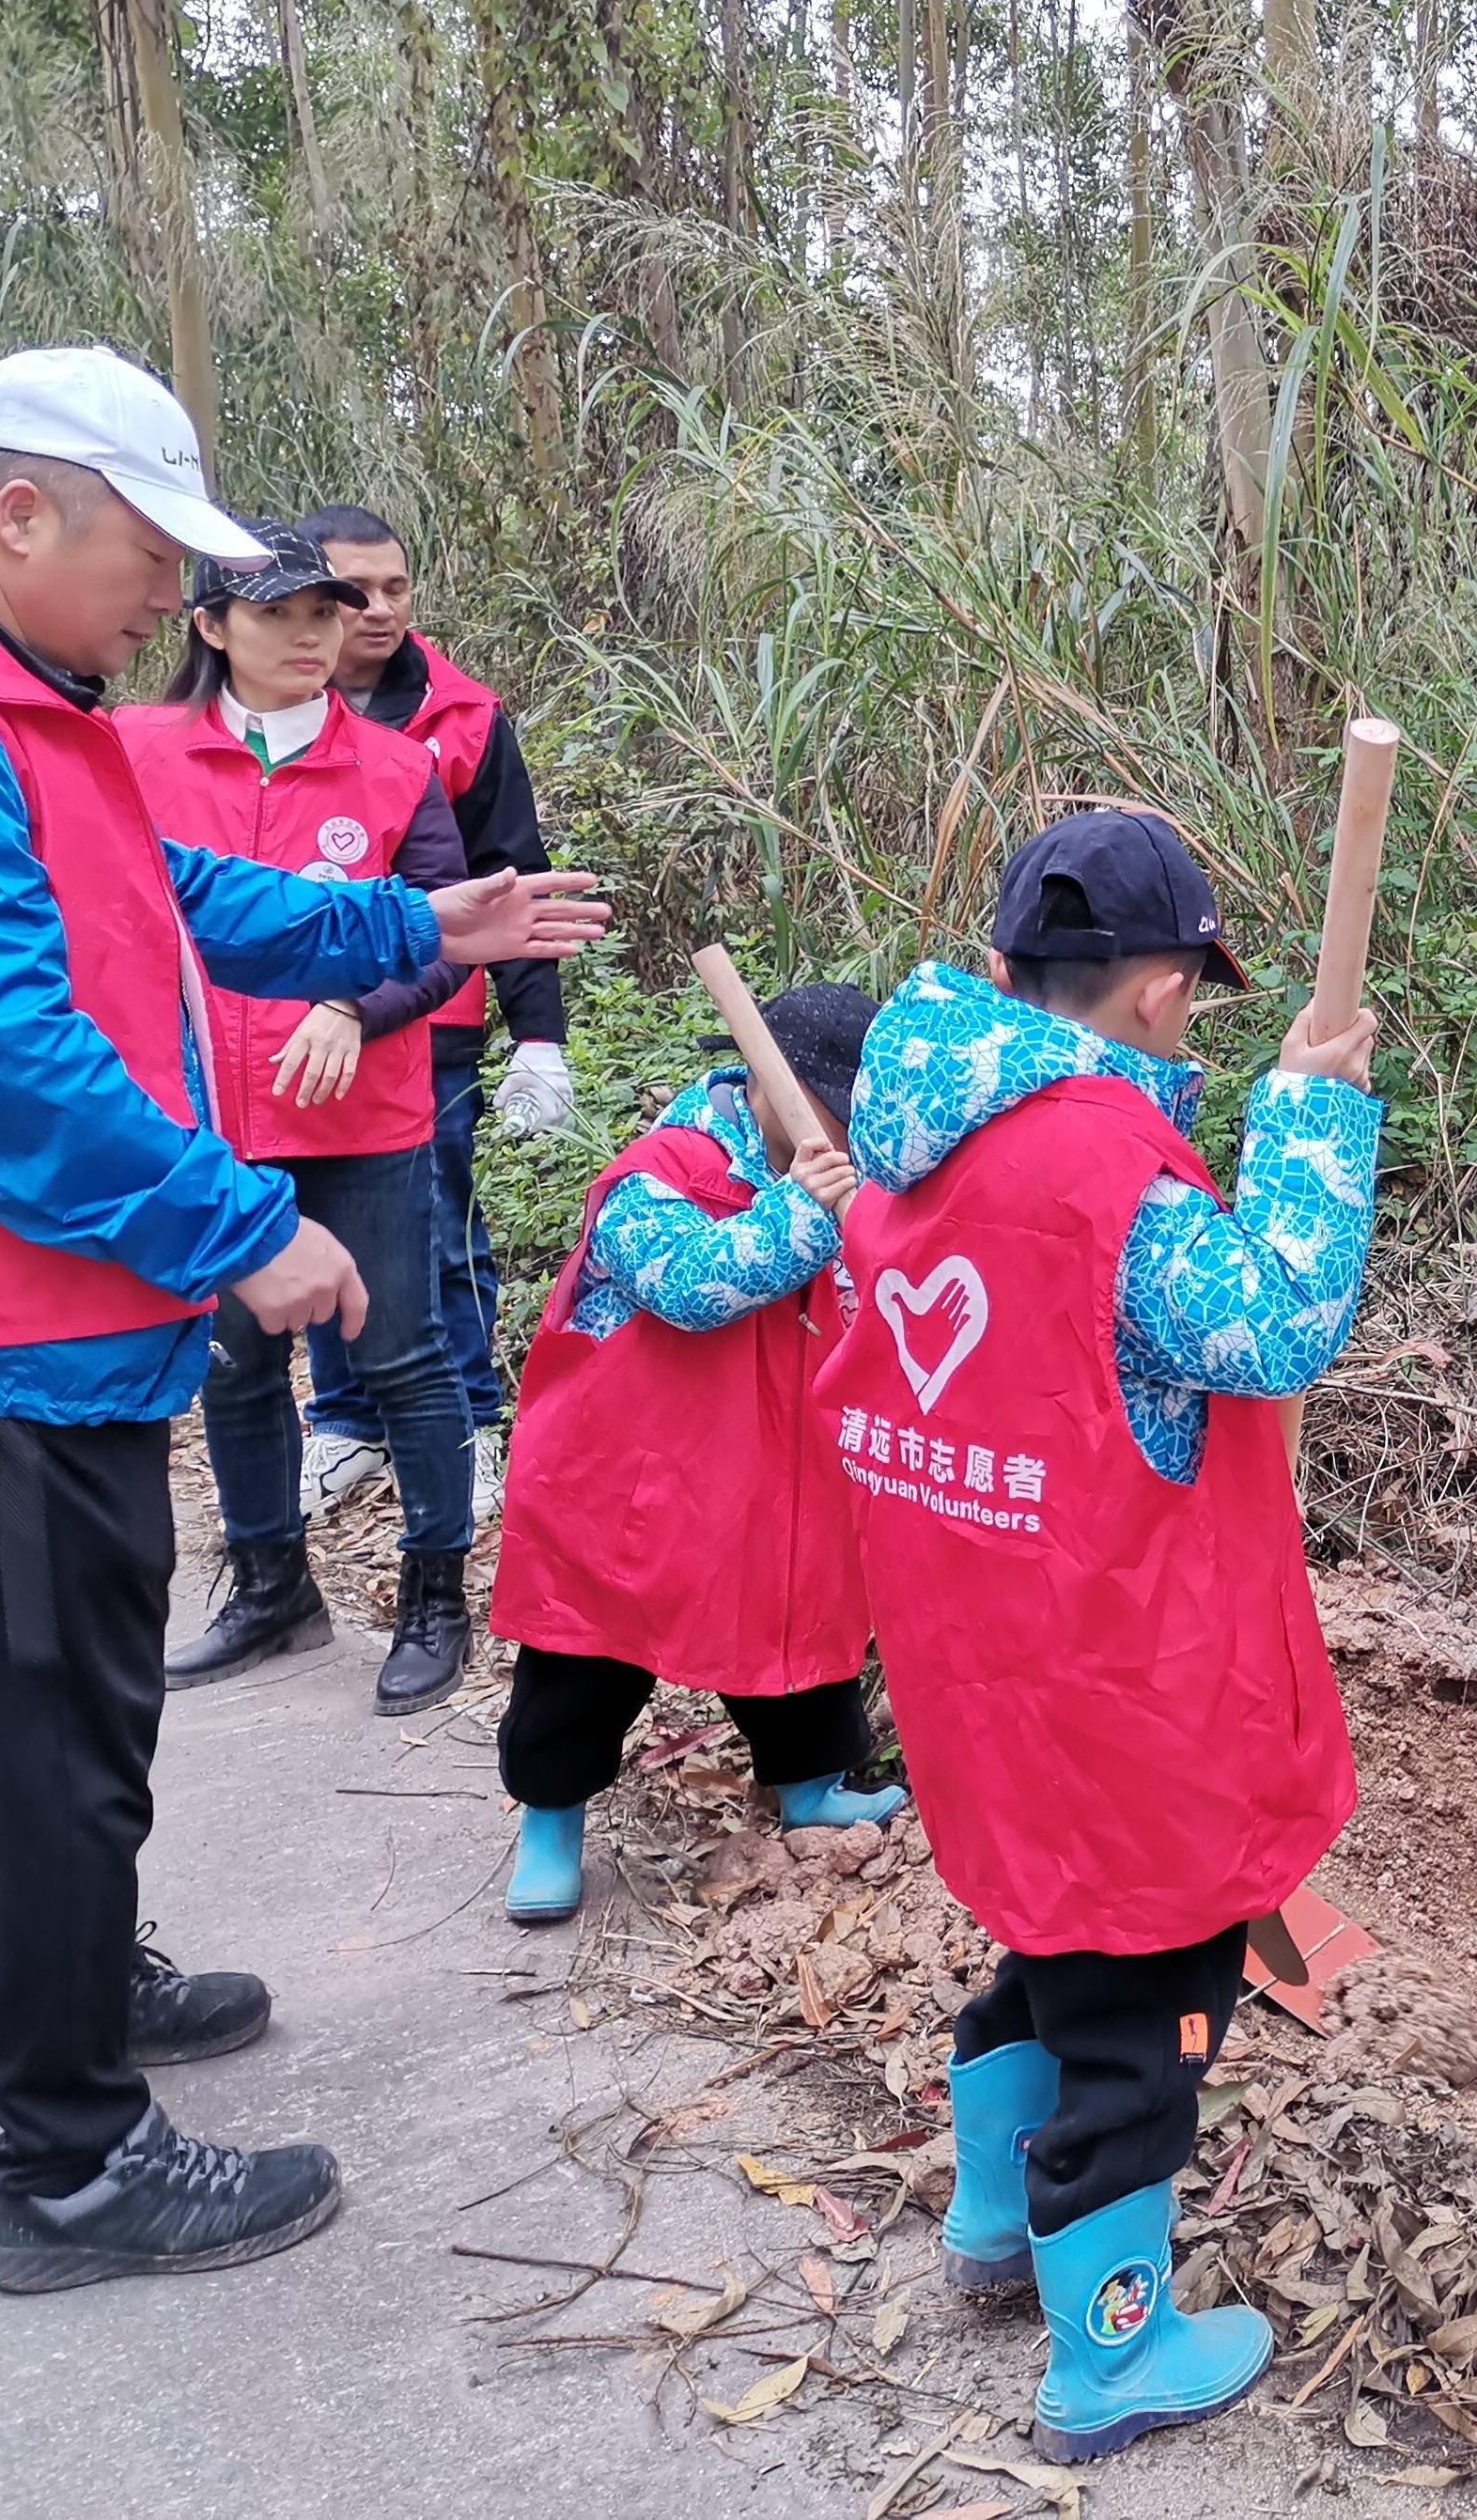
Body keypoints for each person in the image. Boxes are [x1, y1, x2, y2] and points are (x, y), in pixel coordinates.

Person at [0, 347, 608, 2292]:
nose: (170, 600)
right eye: (150, 555)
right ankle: (69, 2160)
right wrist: (238, 1228)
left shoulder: (10, 695)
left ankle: (50, 1986)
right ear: (21, 512)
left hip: (8, 1302)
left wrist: (410, 930)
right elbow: (2, 1057)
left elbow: (163, 891)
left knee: (46, 1698)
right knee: (50, 1719)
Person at [820, 810, 1378, 2463]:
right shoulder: (1100, 1173)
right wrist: (1318, 1120)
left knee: (1049, 1947)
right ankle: (1109, 2354)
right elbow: (1275, 1325)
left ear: (1002, 975)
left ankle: (995, 2226)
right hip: (1117, 1672)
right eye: (1191, 1000)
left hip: (978, 1660)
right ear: (1153, 996)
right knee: (1149, 2014)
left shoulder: (910, 1141)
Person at [115, 528, 484, 1715]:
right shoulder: (128, 754)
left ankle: (436, 1597)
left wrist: (349, 1006)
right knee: (234, 1363)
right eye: (280, 613)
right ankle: (273, 1584)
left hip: (362, 1121)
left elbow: (444, 939)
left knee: (404, 1357)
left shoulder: (393, 769)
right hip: (207, 1119)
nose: (315, 634)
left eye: (327, 613)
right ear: (211, 626)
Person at [488, 980, 910, 1924]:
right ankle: (551, 1821)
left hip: (769, 1471)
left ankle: (809, 1784)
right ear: (768, 1084)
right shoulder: (660, 1171)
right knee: (583, 1658)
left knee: (793, 1620)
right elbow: (688, 1285)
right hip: (631, 1477)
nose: (847, 1134)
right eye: (833, 1110)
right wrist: (805, 1214)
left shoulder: (854, 1175)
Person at [295, 503, 568, 1528]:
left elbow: (514, 878)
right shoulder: (271, 701)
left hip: (429, 1022)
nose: (375, 610)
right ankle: (345, 1423)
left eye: (394, 588)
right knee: (313, 1218)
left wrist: (539, 1033)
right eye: (350, 591)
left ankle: (467, 1423)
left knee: (439, 1228)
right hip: (290, 1021)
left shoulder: (462, 716)